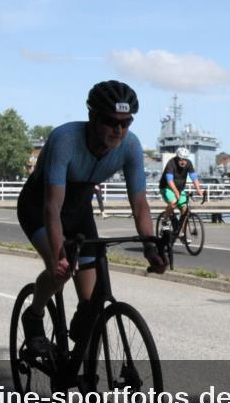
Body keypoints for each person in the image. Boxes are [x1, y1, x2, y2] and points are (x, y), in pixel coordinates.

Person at [17, 80, 166, 353]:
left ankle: (81, 369)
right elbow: (52, 207)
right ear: (92, 117)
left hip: (78, 211)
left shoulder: (130, 146)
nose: (119, 130)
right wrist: (59, 254)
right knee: (59, 271)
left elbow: (140, 205)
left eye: (126, 123)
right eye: (111, 121)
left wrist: (150, 247)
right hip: (39, 207)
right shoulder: (65, 140)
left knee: (90, 306)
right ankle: (34, 315)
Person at [158, 147, 204, 230]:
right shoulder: (171, 163)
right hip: (166, 187)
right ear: (177, 158)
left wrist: (198, 189)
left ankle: (181, 232)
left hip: (179, 188)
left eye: (185, 159)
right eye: (181, 159)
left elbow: (194, 177)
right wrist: (175, 192)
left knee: (184, 209)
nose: (183, 162)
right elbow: (169, 180)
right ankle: (165, 220)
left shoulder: (188, 163)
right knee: (173, 202)